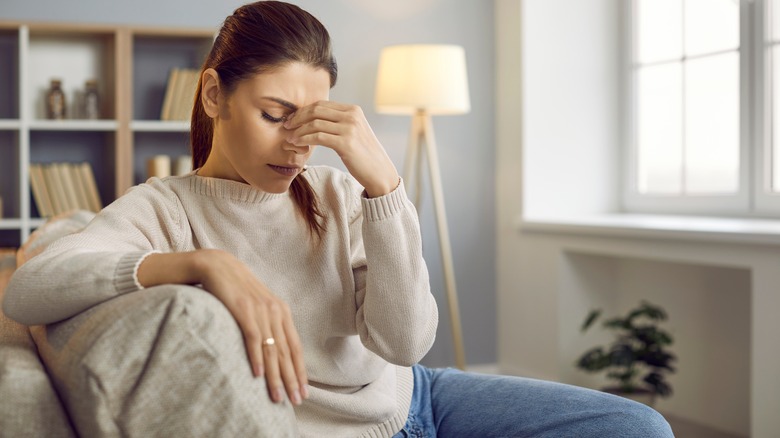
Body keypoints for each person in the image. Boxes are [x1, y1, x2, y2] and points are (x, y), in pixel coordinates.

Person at [3, 1, 674, 437]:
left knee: (640, 430)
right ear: (214, 95)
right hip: (335, 430)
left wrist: (383, 186)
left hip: (419, 399)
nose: (297, 143)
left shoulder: (334, 190)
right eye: (274, 115)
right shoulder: (165, 209)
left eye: (313, 119)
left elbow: (405, 343)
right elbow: (30, 287)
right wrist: (206, 264)